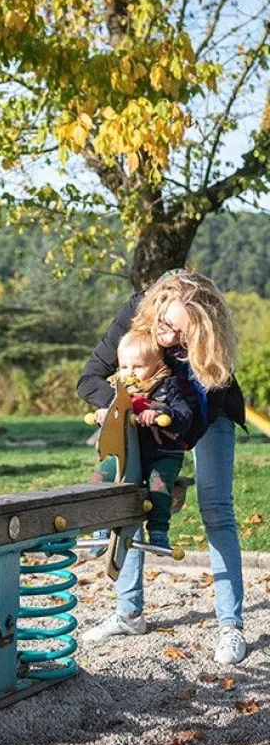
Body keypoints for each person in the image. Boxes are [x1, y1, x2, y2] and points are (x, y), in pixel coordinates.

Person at [77, 270, 247, 666]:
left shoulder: (208, 351)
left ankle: (230, 625)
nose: (169, 338)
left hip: (205, 414)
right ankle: (129, 613)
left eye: (182, 335)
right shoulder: (136, 313)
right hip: (145, 411)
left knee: (216, 508)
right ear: (156, 308)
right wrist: (126, 408)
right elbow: (88, 380)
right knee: (131, 497)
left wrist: (169, 462)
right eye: (167, 326)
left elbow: (197, 418)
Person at [90, 328, 196, 550]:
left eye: (138, 366)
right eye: (125, 366)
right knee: (100, 478)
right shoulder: (119, 391)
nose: (130, 372)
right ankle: (100, 527)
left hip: (162, 454)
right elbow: (113, 412)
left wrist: (161, 414)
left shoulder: (169, 386)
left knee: (158, 485)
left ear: (157, 366)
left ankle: (158, 531)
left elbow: (184, 416)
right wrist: (104, 415)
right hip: (128, 452)